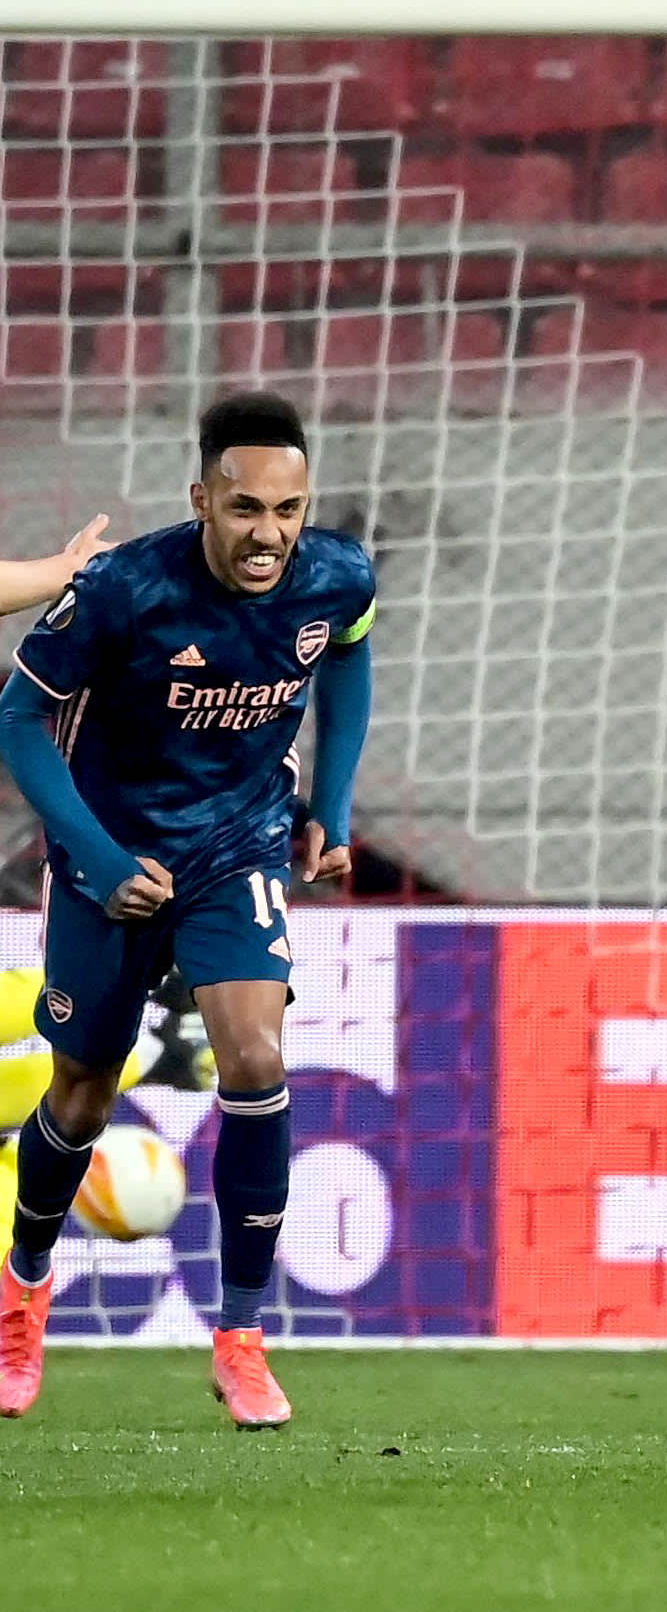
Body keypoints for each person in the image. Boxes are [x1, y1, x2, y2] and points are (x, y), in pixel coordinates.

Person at [0, 392, 376, 1428]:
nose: (269, 534)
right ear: (202, 498)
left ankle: (241, 1338)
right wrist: (98, 855)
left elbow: (348, 656)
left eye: (289, 509)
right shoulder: (125, 590)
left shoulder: (339, 575)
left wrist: (331, 806)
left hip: (238, 847)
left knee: (254, 1056)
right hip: (107, 855)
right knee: (82, 1093)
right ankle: (22, 1289)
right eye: (246, 507)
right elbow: (19, 719)